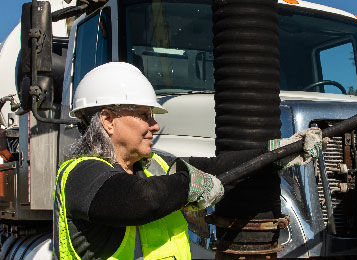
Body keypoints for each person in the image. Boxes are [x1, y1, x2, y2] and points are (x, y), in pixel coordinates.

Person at [54, 62, 321, 259]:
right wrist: (189, 185)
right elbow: (142, 199)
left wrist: (275, 153)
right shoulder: (80, 174)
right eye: (144, 115)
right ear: (108, 121)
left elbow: (214, 168)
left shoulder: (152, 166)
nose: (155, 125)